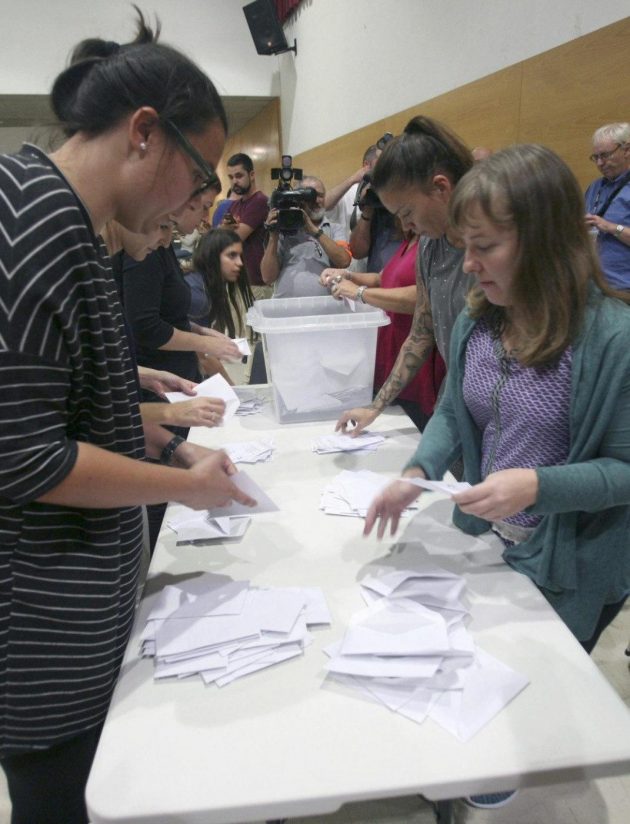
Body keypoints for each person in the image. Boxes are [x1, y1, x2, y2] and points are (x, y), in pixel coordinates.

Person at [0, 13, 256, 823]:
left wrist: (170, 453)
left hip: (76, 629)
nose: (197, 204)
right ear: (144, 133)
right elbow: (25, 458)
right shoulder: (35, 221)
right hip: (39, 642)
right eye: (198, 175)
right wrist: (183, 487)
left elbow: (79, 407)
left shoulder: (69, 221)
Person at [366, 142, 630, 653]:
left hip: (570, 564)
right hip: (491, 543)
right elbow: (453, 410)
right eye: (464, 245)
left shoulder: (611, 338)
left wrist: (537, 486)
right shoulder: (479, 320)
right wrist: (418, 473)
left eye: (484, 247)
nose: (469, 265)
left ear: (545, 242)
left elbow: (624, 471)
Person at [336, 115, 475, 436]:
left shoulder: (486, 250)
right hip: (457, 400)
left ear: (441, 188)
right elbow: (422, 332)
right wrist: (376, 406)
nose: (406, 226)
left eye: (407, 212)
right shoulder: (429, 245)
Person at [321, 232, 446, 431]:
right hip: (392, 361)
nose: (404, 221)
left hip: (418, 371)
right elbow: (383, 278)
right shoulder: (410, 242)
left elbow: (424, 297)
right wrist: (348, 276)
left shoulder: (434, 243)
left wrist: (359, 293)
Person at [261, 175, 352, 297]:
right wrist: (273, 237)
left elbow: (344, 261)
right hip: (285, 305)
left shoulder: (334, 229)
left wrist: (314, 231)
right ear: (298, 199)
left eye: (321, 196)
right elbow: (267, 278)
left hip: (325, 305)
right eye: (311, 196)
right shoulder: (283, 231)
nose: (317, 200)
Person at [187, 228, 255, 342]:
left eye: (240, 256)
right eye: (232, 255)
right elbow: (193, 348)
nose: (240, 263)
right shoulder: (197, 296)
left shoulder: (207, 285)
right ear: (211, 256)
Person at [584, 122, 630, 290]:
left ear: (627, 150)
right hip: (592, 283)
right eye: (595, 157)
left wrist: (611, 227)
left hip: (623, 288)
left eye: (605, 155)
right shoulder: (594, 187)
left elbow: (606, 226)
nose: (600, 163)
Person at [223, 152, 271, 298]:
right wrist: (225, 230)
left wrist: (226, 230)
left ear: (252, 175)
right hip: (241, 280)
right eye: (231, 177)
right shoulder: (234, 205)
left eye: (239, 176)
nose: (234, 181)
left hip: (258, 282)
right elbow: (219, 235)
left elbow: (235, 238)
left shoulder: (260, 201)